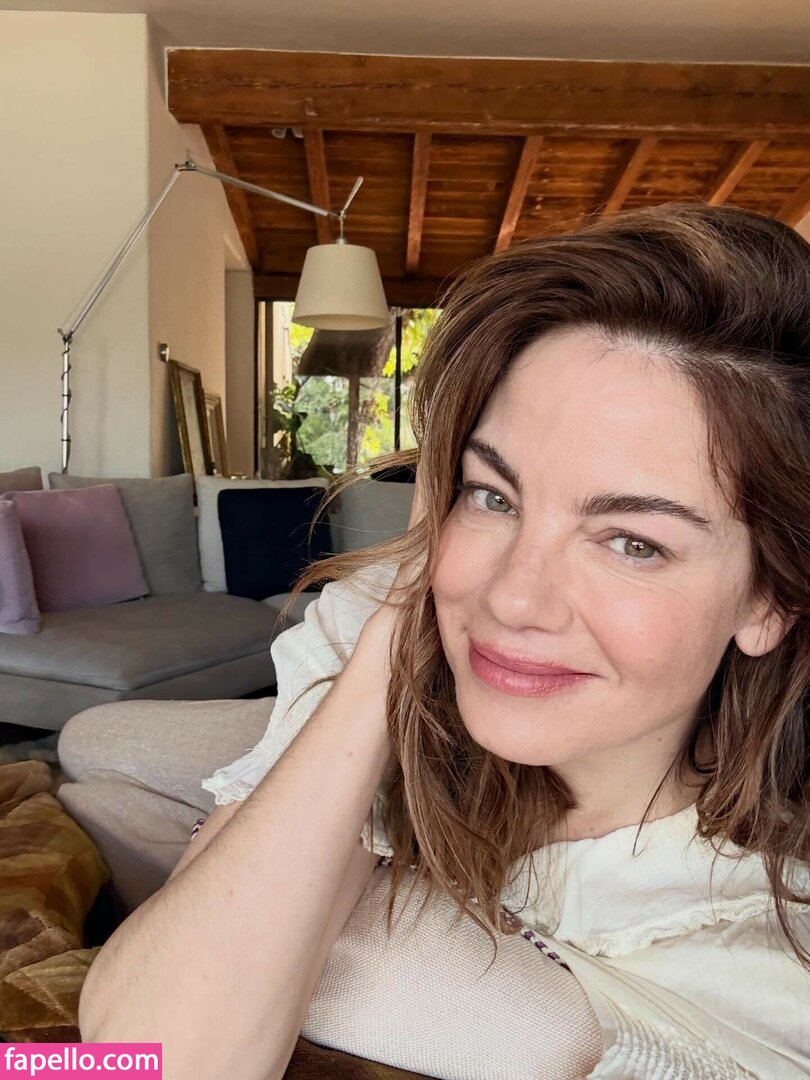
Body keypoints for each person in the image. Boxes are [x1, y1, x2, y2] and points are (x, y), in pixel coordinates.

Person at [78, 203, 810, 1079]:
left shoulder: (760, 957)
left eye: (633, 543)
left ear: (770, 598)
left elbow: (160, 1063)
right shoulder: (403, 607)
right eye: (492, 495)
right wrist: (390, 645)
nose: (512, 597)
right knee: (93, 747)